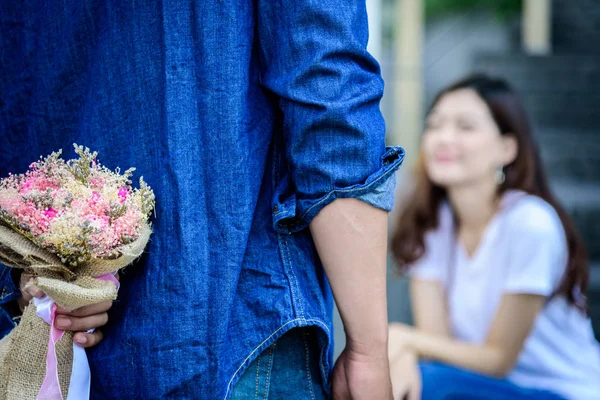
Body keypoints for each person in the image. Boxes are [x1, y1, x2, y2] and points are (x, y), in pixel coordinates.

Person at [0, 1, 404, 398]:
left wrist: (34, 281)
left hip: (51, 347)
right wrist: (368, 350)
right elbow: (326, 88)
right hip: (241, 330)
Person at [388, 74, 600, 400]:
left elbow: (499, 359)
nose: (443, 138)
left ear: (506, 148)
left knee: (429, 385)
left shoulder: (531, 224)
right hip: (478, 386)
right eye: (434, 125)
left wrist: (403, 339)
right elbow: (436, 344)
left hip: (561, 391)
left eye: (466, 126)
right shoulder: (432, 223)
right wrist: (404, 355)